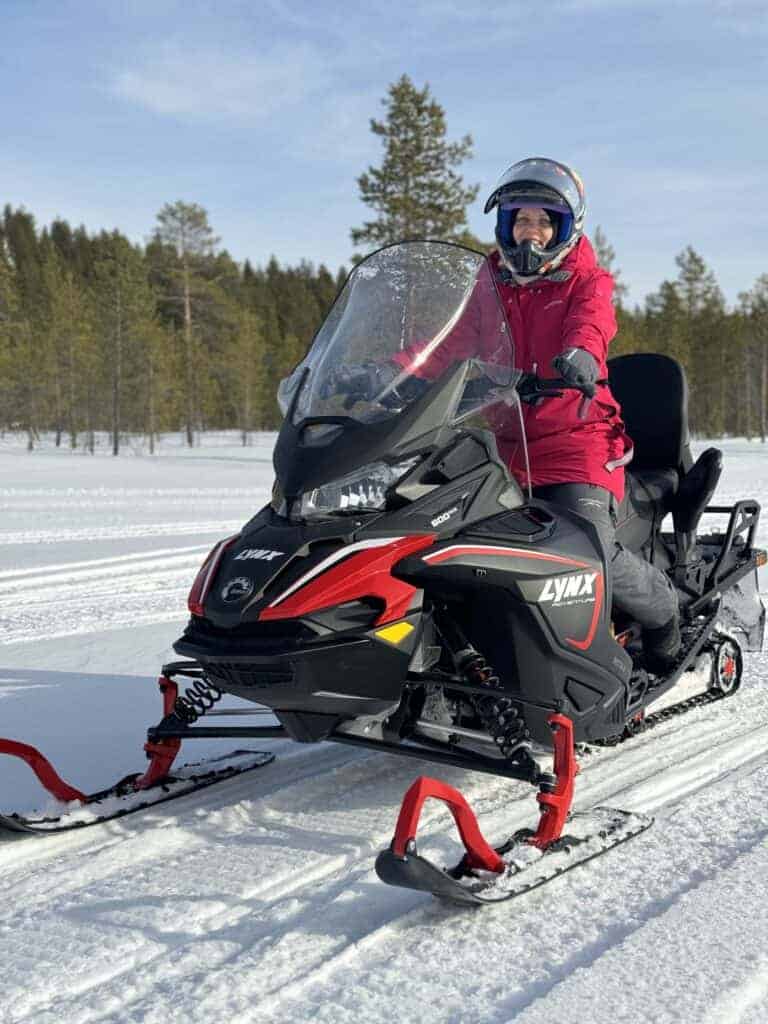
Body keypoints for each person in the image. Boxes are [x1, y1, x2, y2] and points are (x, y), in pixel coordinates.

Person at [333, 157, 680, 673]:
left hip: (576, 441)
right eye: (521, 220)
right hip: (505, 442)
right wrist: (388, 375)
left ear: (564, 228)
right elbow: (449, 347)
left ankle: (664, 615)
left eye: (543, 222)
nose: (530, 233)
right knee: (443, 537)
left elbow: (592, 322)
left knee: (588, 549)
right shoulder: (491, 282)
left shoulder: (588, 280)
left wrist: (581, 354)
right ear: (505, 225)